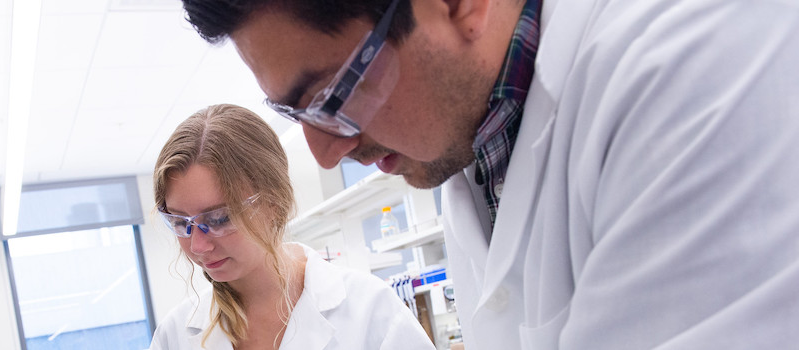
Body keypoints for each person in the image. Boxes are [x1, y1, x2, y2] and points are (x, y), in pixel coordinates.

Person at [180, 0, 799, 349]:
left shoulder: (692, 61)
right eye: (294, 113)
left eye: (334, 97)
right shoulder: (466, 148)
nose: (322, 153)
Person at [149, 104, 434, 349]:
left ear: (273, 202)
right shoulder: (174, 336)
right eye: (179, 221)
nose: (198, 246)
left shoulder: (371, 311)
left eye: (219, 219)